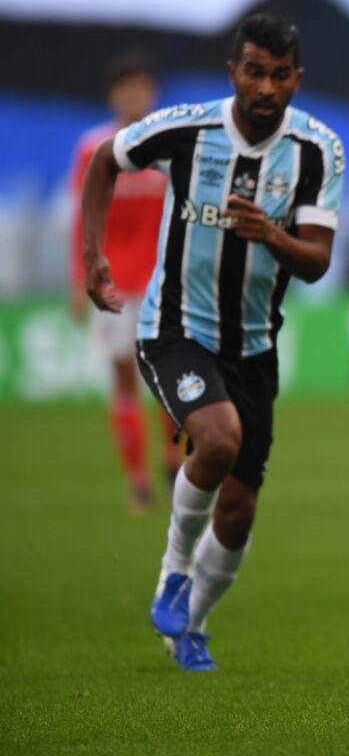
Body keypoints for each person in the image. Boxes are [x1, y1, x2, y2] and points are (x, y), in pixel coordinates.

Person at [80, 13, 345, 670]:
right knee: (218, 440)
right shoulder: (188, 128)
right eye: (254, 71)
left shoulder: (318, 150)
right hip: (172, 327)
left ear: (296, 80)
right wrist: (93, 256)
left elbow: (316, 261)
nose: (265, 86)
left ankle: (190, 625)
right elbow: (106, 165)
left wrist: (273, 236)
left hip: (254, 345)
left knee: (239, 514)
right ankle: (174, 572)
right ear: (234, 72)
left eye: (280, 76)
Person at [69, 53, 180, 513]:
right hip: (115, 286)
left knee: (171, 378)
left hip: (165, 282)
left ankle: (173, 459)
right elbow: (83, 218)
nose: (135, 96)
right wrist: (80, 276)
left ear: (152, 94)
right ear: (114, 95)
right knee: (124, 380)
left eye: (142, 87)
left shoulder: (169, 144)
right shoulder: (93, 147)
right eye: (126, 88)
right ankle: (136, 480)